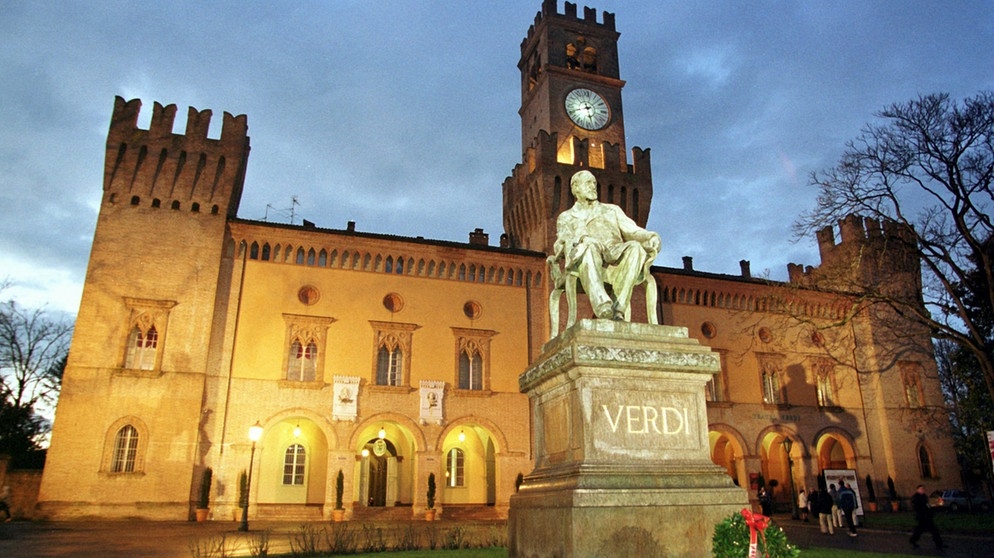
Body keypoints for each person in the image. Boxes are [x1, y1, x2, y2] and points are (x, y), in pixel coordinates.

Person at [553, 170, 660, 321]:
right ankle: (603, 305)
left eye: (594, 183)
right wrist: (583, 239)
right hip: (586, 260)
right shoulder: (566, 217)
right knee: (588, 247)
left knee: (636, 248)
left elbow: (633, 231)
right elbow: (560, 244)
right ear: (575, 188)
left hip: (615, 257)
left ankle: (618, 308)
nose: (593, 186)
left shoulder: (612, 210)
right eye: (588, 183)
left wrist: (651, 236)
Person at [909, 484, 944, 549]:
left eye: (923, 489)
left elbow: (928, 505)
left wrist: (933, 507)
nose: (922, 490)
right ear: (917, 490)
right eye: (921, 489)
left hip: (927, 517)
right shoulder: (916, 497)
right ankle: (913, 540)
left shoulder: (924, 496)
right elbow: (918, 507)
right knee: (920, 531)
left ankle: (939, 544)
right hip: (922, 517)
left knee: (933, 530)